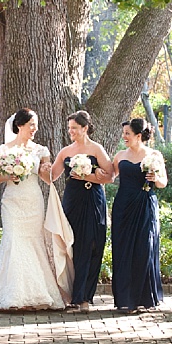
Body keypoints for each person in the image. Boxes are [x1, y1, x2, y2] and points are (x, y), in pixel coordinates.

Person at [0, 108, 65, 311]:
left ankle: (37, 295)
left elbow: (48, 179)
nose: (34, 129)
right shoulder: (3, 150)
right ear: (19, 126)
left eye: (35, 125)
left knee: (33, 241)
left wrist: (46, 170)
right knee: (13, 240)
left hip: (33, 200)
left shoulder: (41, 150)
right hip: (12, 201)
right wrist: (9, 175)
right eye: (31, 125)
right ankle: (12, 295)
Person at [50, 110, 111, 314]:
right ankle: (73, 295)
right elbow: (52, 175)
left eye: (74, 128)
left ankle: (84, 298)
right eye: (69, 129)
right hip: (72, 201)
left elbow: (110, 176)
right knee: (73, 245)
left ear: (85, 128)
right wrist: (30, 165)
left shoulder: (97, 149)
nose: (71, 132)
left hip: (93, 200)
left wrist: (91, 176)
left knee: (92, 245)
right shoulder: (65, 151)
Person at [108, 118, 167, 313]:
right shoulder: (119, 156)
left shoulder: (153, 155)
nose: (124, 136)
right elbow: (109, 176)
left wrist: (156, 178)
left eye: (127, 133)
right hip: (123, 207)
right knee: (123, 250)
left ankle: (143, 298)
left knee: (144, 248)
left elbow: (163, 183)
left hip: (144, 206)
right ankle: (125, 299)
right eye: (123, 133)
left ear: (138, 136)